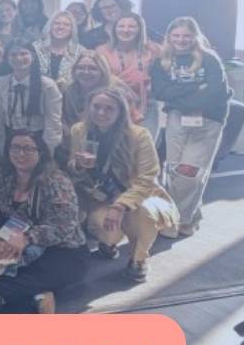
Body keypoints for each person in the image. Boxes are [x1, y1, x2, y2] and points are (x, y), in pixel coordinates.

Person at [0, 129, 85, 314]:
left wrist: (27, 238)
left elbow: (64, 226)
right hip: (8, 237)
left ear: (40, 152)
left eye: (28, 149)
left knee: (50, 269)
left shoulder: (57, 181)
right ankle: (40, 297)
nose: (20, 154)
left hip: (60, 247)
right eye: (15, 147)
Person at [66, 87, 178, 282]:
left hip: (139, 195)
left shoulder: (139, 135)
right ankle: (108, 242)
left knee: (144, 216)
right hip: (101, 196)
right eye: (96, 107)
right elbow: (73, 167)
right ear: (89, 107)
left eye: (109, 108)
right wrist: (77, 165)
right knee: (103, 227)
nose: (101, 113)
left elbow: (147, 178)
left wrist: (120, 206)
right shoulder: (79, 130)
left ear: (121, 111)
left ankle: (138, 258)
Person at [149, 17, 228, 236]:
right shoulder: (162, 61)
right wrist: (195, 88)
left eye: (186, 35)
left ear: (195, 36)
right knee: (174, 170)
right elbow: (160, 91)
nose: (181, 40)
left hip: (208, 119)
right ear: (169, 37)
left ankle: (175, 219)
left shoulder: (209, 59)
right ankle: (191, 216)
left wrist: (178, 95)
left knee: (190, 171)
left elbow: (215, 92)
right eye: (176, 35)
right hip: (176, 119)